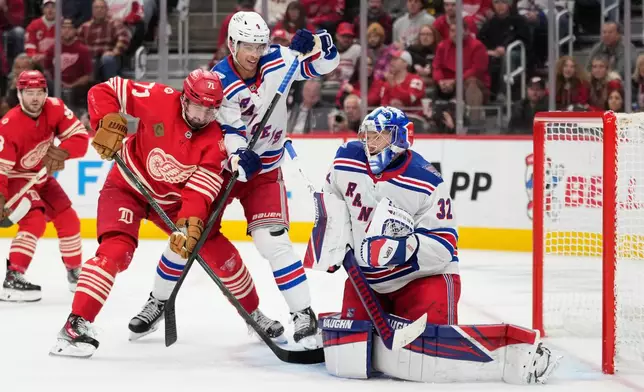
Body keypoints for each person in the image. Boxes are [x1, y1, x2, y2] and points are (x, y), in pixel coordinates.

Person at [130, 11, 339, 349]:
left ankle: (303, 313)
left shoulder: (280, 60)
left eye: (259, 45)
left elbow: (325, 65)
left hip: (266, 171)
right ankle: (158, 300)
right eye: (247, 46)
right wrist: (238, 154)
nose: (254, 53)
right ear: (232, 43)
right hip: (222, 169)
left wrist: (320, 43)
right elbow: (227, 128)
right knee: (189, 233)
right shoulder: (218, 80)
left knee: (273, 241)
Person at [308, 106, 560, 384]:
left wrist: (400, 248)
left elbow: (444, 245)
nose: (370, 143)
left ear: (399, 139)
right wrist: (332, 239)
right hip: (367, 279)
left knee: (431, 360)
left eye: (378, 137)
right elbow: (331, 200)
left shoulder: (426, 180)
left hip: (422, 279)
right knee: (350, 358)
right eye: (367, 136)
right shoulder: (345, 160)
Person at [49, 69, 282, 358]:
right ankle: (75, 325)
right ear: (185, 99)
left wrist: (191, 224)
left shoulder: (217, 142)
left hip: (171, 204)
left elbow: (199, 191)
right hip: (127, 187)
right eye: (198, 107)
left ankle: (253, 314)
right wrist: (105, 121)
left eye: (211, 110)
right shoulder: (159, 98)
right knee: (116, 251)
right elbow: (104, 90)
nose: (203, 116)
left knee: (221, 255)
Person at [0, 70, 88, 302]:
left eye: (40, 92)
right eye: (29, 93)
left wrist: (62, 151)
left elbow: (80, 138)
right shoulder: (9, 125)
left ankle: (74, 272)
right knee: (35, 219)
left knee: (69, 218)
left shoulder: (56, 108)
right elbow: (1, 169)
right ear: (19, 94)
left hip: (41, 177)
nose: (35, 98)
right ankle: (13, 276)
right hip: (16, 179)